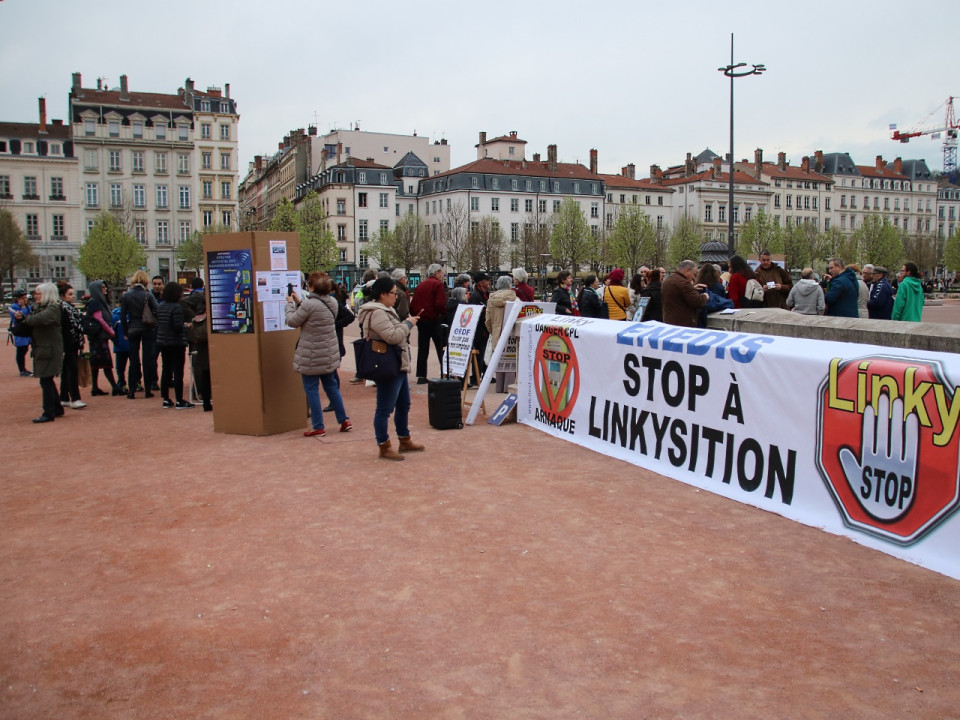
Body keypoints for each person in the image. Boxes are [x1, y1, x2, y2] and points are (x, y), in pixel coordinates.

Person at [356, 277, 423, 461]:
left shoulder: (387, 310)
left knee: (403, 405)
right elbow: (392, 336)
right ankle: (383, 445)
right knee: (384, 409)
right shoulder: (378, 313)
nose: (396, 296)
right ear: (383, 294)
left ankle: (404, 439)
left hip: (396, 364)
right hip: (387, 365)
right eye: (393, 292)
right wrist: (408, 324)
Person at [285, 271, 352, 436]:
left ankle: (318, 425)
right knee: (331, 386)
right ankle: (344, 419)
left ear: (312, 288)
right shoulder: (333, 303)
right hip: (328, 353)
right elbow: (314, 314)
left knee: (312, 389)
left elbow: (293, 321)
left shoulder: (309, 305)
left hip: (311, 354)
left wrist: (289, 305)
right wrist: (299, 302)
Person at [14, 283, 63, 423]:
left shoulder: (53, 307)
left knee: (45, 378)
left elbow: (38, 319)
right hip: (43, 347)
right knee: (46, 378)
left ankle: (49, 412)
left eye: (38, 293)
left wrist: (24, 318)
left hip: (49, 348)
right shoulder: (43, 307)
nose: (35, 296)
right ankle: (56, 407)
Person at [120, 270, 159, 399]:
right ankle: (148, 390)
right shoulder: (148, 295)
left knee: (134, 360)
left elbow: (123, 314)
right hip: (147, 328)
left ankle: (132, 389)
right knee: (147, 359)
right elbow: (157, 310)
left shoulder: (126, 296)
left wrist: (126, 331)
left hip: (132, 329)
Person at [155, 282, 194, 409]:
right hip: (176, 342)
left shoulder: (161, 306)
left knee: (166, 370)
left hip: (163, 341)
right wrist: (187, 326)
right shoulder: (176, 307)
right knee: (178, 371)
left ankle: (166, 398)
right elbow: (177, 326)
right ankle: (179, 399)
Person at [410, 263, 447, 384]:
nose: (442, 275)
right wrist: (443, 314)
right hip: (434, 319)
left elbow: (413, 303)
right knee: (441, 346)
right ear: (436, 273)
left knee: (423, 348)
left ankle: (421, 375)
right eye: (441, 272)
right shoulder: (438, 284)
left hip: (421, 319)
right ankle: (444, 372)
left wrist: (417, 315)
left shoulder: (420, 285)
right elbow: (440, 304)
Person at [181, 277, 212, 411]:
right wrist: (196, 317)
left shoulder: (202, 295)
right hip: (203, 334)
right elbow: (183, 303)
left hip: (203, 335)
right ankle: (203, 395)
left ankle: (204, 395)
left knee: (203, 367)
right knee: (203, 367)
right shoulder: (201, 295)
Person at [85, 281, 120, 396]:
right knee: (106, 363)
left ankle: (95, 388)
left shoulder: (97, 301)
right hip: (99, 337)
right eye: (103, 287)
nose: (105, 289)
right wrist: (111, 332)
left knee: (96, 364)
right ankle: (115, 387)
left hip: (97, 337)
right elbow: (99, 319)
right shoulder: (96, 302)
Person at [485, 275, 518, 392]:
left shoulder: (491, 299)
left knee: (499, 360)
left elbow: (487, 319)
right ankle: (508, 387)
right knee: (510, 360)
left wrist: (493, 331)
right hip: (511, 332)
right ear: (509, 285)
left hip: (497, 332)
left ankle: (499, 387)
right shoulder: (515, 299)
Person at [57, 282, 86, 409]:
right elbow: (71, 327)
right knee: (72, 370)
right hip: (69, 343)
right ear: (62, 295)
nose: (73, 296)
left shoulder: (68, 307)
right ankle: (75, 398)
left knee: (66, 370)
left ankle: (64, 396)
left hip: (70, 342)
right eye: (70, 294)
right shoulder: (65, 308)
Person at [662, 260, 708, 327]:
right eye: (694, 274)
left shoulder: (668, 280)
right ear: (688, 270)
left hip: (669, 321)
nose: (693, 278)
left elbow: (677, 294)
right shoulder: (684, 283)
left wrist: (692, 288)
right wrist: (705, 296)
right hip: (682, 323)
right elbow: (697, 301)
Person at [468, 271, 492, 377]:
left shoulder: (486, 295)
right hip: (480, 330)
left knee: (484, 353)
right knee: (479, 353)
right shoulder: (476, 297)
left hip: (485, 329)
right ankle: (476, 377)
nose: (489, 282)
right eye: (487, 280)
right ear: (481, 283)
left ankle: (485, 374)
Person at [8, 288, 33, 377]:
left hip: (27, 331)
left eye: (25, 297)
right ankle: (22, 370)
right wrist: (22, 308)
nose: (25, 299)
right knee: (20, 351)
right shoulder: (13, 307)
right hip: (20, 332)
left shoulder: (28, 306)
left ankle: (24, 369)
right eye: (23, 298)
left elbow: (30, 315)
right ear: (17, 298)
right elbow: (20, 316)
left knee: (25, 349)